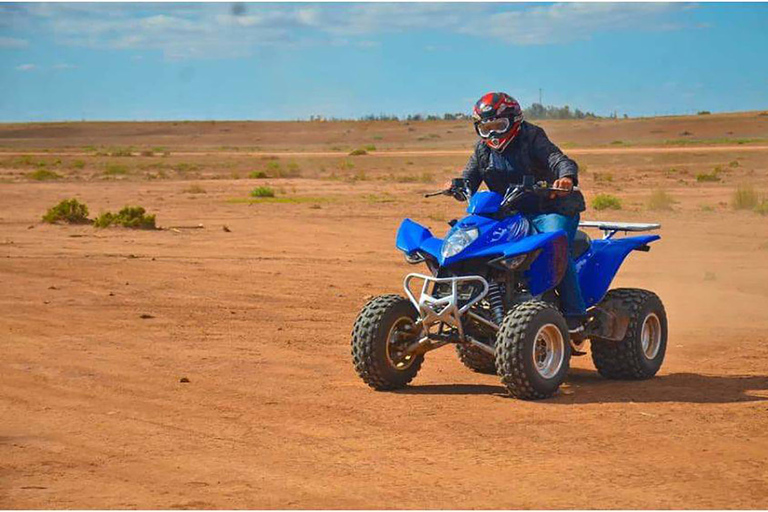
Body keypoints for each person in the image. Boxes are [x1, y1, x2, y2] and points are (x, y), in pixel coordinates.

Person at [451, 91, 587, 330]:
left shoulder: (532, 136)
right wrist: (456, 185)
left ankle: (574, 316)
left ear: (514, 121)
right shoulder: (483, 150)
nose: (493, 133)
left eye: (499, 125)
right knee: (484, 245)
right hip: (511, 213)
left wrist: (565, 177)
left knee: (555, 246)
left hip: (551, 209)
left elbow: (558, 159)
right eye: (486, 127)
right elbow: (468, 178)